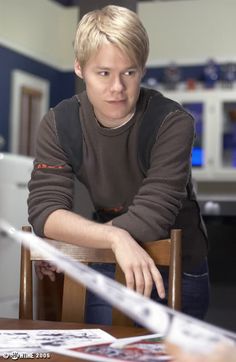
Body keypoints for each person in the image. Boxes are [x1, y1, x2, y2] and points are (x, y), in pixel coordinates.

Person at [28, 5, 209, 324]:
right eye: (104, 73)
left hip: (178, 263)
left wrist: (81, 242)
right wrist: (113, 239)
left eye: (129, 72)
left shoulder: (172, 121)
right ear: (80, 68)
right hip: (110, 254)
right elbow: (45, 211)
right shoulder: (59, 123)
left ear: (142, 69)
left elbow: (153, 215)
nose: (117, 88)